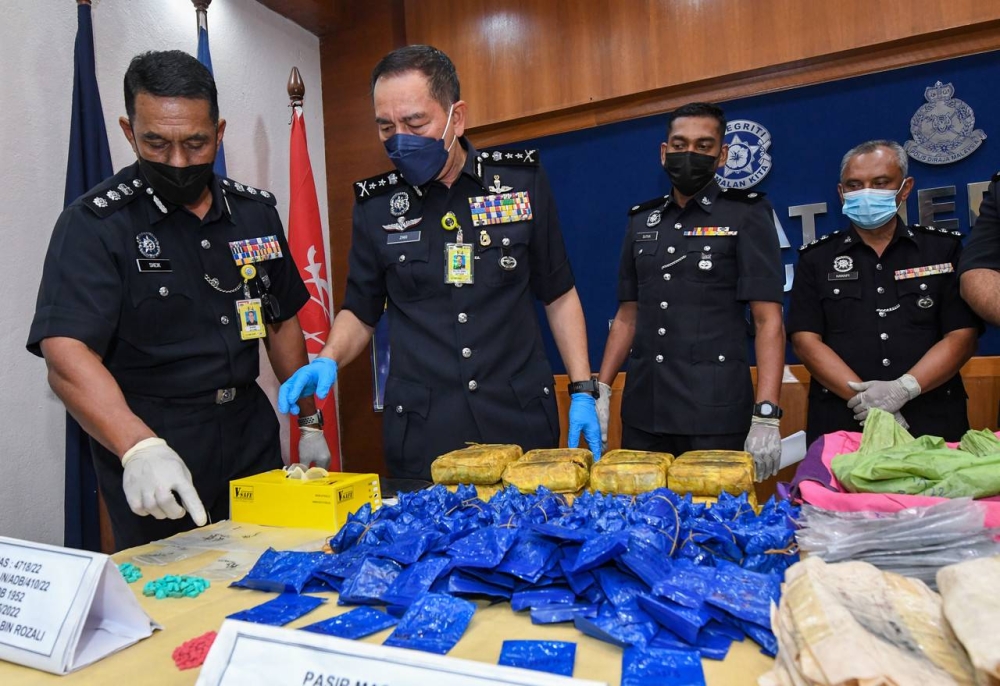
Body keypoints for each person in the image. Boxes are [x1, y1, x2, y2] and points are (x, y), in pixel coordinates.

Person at [27, 50, 329, 550]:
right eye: (156, 143)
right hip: (157, 447)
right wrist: (138, 447)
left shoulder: (254, 214)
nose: (178, 161)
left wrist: (310, 421)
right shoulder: (95, 225)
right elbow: (65, 354)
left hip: (249, 434)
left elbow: (280, 321)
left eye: (195, 143)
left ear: (219, 132)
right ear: (129, 132)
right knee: (177, 586)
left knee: (274, 566)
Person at [278, 45, 601, 480]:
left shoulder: (519, 184)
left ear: (457, 117)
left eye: (415, 123)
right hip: (423, 430)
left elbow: (558, 293)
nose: (400, 140)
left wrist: (582, 389)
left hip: (517, 416)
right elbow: (361, 310)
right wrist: (328, 358)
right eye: (386, 127)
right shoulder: (376, 207)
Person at [595, 102, 786, 481]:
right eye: (680, 145)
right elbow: (628, 314)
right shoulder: (641, 221)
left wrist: (767, 413)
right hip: (645, 412)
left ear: (722, 155)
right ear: (664, 152)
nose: (690, 154)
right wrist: (601, 388)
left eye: (703, 146)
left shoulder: (746, 214)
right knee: (643, 514)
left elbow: (769, 321)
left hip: (714, 415)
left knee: (713, 516)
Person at [788, 140, 979, 444]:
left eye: (880, 183)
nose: (866, 193)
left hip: (932, 417)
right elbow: (805, 340)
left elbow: (962, 335)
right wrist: (868, 402)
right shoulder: (816, 258)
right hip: (844, 419)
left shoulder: (942, 249)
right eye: (854, 185)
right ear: (841, 193)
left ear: (905, 188)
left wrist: (903, 389)